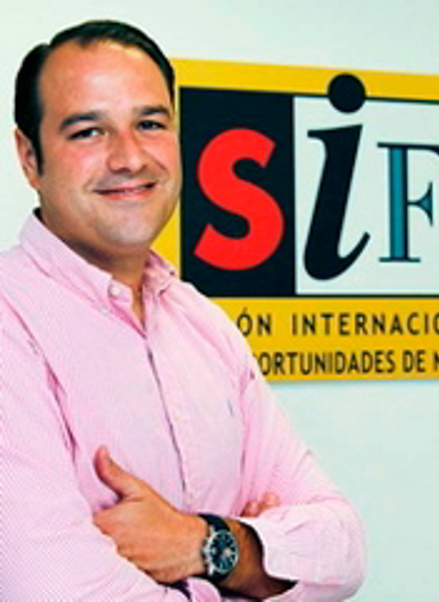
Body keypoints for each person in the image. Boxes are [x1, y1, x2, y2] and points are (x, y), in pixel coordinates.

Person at [0, 20, 366, 601]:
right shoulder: (9, 322)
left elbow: (343, 554)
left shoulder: (203, 324)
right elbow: (54, 589)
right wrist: (251, 572)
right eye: (88, 132)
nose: (129, 158)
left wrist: (206, 543)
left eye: (150, 124)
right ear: (29, 158)